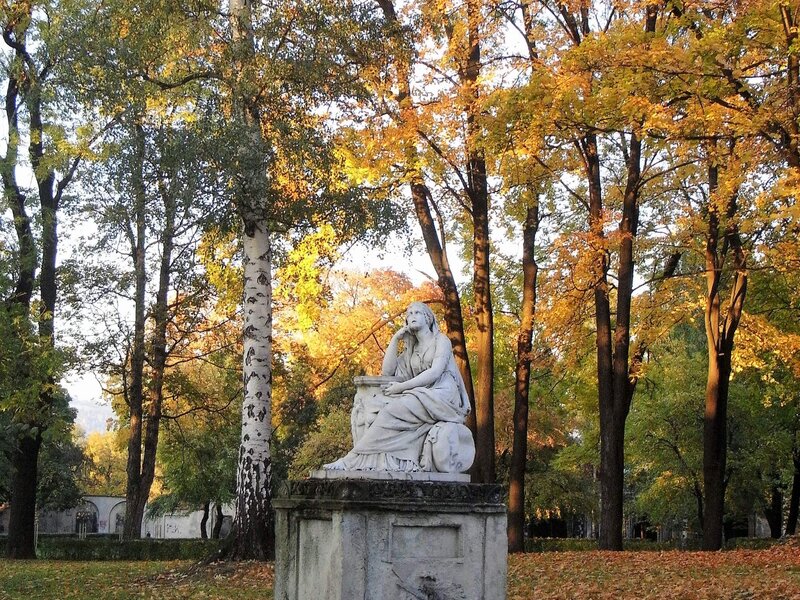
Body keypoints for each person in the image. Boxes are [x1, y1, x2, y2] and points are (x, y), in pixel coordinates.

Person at [324, 302, 471, 472]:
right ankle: (379, 462)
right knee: (376, 406)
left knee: (392, 409)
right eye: (409, 314)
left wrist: (401, 388)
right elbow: (388, 371)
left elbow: (435, 373)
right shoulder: (412, 349)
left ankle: (351, 460)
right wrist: (395, 339)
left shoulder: (441, 340)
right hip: (420, 393)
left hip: (442, 394)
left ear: (428, 318)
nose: (412, 316)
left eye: (417, 313)